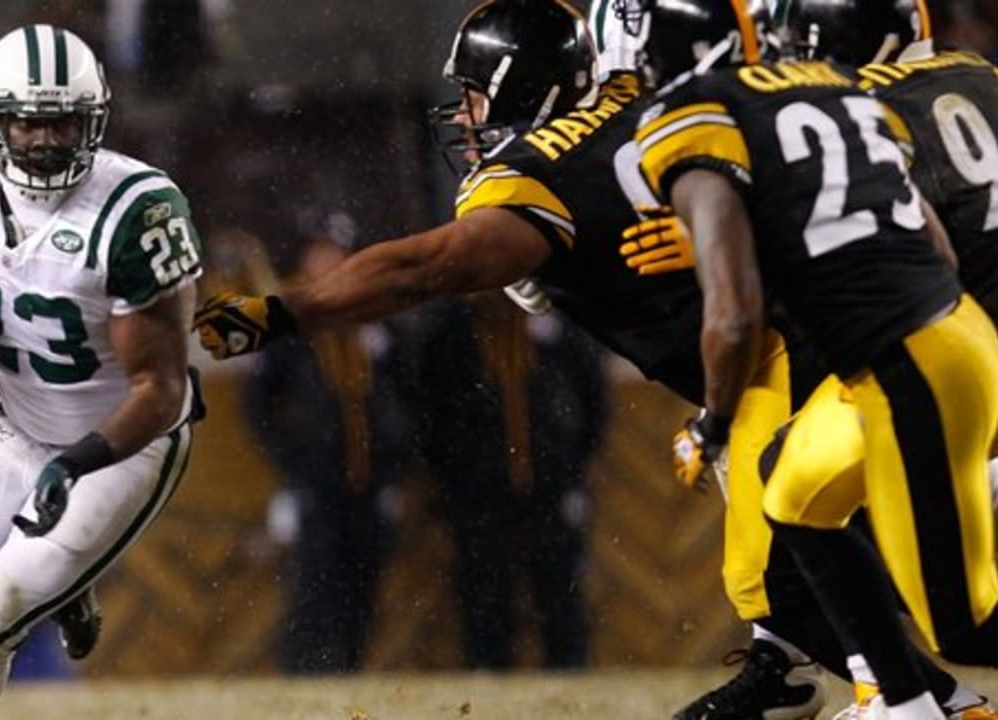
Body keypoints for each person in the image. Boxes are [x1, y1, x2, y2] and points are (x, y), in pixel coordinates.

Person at [194, 1, 996, 717]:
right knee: (826, 545)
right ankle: (839, 683)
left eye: (476, 94)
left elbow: (427, 267)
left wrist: (284, 312)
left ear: (519, 87)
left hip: (782, 365)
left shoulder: (540, 172)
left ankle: (920, 700)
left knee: (782, 571)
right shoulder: (661, 106)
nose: (465, 118)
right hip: (851, 341)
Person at [620, 1, 998, 718]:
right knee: (789, 485)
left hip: (949, 358)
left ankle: (905, 689)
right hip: (957, 339)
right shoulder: (978, 74)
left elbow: (868, 248)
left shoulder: (855, 106)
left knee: (958, 620)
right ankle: (904, 702)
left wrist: (727, 232)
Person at [0, 25, 204, 720]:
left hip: (118, 450)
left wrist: (75, 465)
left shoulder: (137, 212)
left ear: (95, 121)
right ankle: (70, 581)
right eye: (26, 122)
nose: (45, 140)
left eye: (63, 122)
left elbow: (162, 390)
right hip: (12, 423)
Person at [243, 217, 410, 673]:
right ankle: (307, 672)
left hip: (370, 476)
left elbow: (404, 398)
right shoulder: (287, 320)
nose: (328, 262)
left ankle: (350, 668)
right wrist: (291, 462)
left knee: (363, 579)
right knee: (314, 582)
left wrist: (395, 466)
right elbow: (258, 405)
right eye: (320, 252)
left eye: (336, 252)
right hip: (314, 478)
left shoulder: (376, 318)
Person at [402, 294, 604, 669]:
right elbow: (430, 410)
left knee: (559, 586)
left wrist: (574, 467)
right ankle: (489, 670)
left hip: (549, 484)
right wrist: (447, 479)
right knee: (484, 586)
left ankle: (568, 671)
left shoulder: (555, 323)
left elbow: (592, 398)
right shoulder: (452, 332)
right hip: (477, 487)